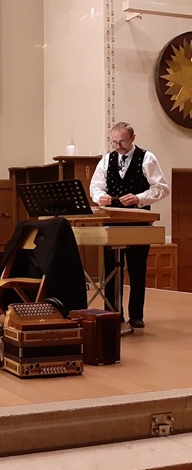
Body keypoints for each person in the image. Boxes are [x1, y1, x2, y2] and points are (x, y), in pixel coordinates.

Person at [89, 121, 170, 329]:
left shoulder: (147, 158)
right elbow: (95, 187)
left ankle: (136, 315)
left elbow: (162, 188)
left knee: (136, 268)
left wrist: (139, 198)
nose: (118, 146)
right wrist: (101, 198)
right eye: (114, 142)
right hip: (113, 221)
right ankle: (112, 313)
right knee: (111, 269)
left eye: (122, 141)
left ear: (133, 138)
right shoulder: (107, 160)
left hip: (139, 221)